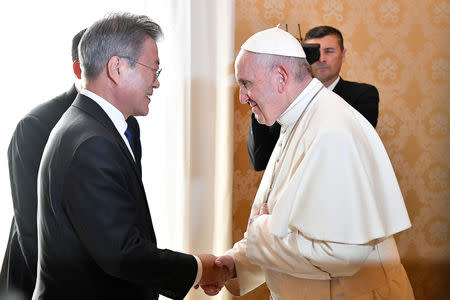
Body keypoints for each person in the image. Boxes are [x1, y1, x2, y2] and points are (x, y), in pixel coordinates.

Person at [201, 27, 414, 299]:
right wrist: (234, 264)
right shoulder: (296, 118)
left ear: (281, 76)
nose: (242, 97)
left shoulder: (332, 130)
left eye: (246, 83)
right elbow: (282, 223)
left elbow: (341, 253)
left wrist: (260, 232)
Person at [32, 13, 231, 300]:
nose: (157, 83)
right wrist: (199, 268)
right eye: (154, 69)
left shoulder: (89, 124)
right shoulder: (92, 142)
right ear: (117, 68)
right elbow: (122, 253)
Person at [0, 29, 87, 300]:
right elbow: (29, 225)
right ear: (79, 68)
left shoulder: (128, 124)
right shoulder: (35, 126)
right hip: (34, 282)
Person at [247, 25, 379, 171]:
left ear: (343, 54)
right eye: (314, 52)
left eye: (329, 51)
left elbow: (351, 147)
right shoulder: (285, 99)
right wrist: (261, 97)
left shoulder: (363, 94)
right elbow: (260, 161)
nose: (321, 58)